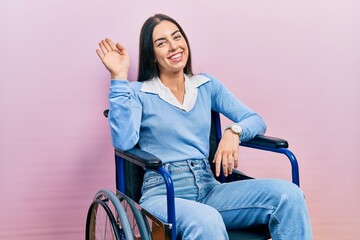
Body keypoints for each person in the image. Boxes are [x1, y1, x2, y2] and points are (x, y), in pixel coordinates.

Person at [96, 13, 312, 240]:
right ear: (152, 56)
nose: (173, 46)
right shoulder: (138, 92)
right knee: (207, 219)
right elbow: (123, 141)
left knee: (290, 195)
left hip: (209, 186)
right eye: (162, 43)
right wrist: (118, 77)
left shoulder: (207, 86)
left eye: (177, 37)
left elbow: (255, 119)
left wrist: (233, 132)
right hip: (164, 191)